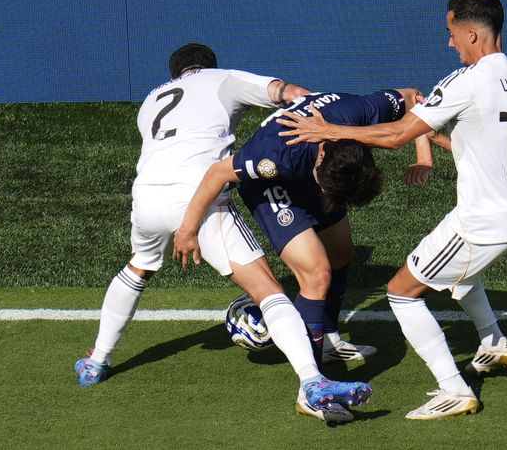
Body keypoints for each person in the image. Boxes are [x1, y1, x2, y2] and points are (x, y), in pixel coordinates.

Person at [74, 43, 371, 423]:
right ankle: (313, 383)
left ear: (175, 73)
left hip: (146, 196)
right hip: (198, 194)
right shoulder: (223, 79)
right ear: (207, 66)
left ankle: (96, 360)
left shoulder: (152, 98)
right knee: (269, 292)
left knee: (139, 267)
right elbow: (292, 95)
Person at [277, 0, 507, 419]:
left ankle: (454, 389)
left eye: (452, 33)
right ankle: (492, 341)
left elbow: (397, 133)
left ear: (472, 32)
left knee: (402, 291)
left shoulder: (466, 80)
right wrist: (435, 141)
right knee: (459, 273)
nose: (449, 43)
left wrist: (328, 129)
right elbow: (489, 145)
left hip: (485, 218)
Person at [173, 88, 429, 367]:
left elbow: (415, 99)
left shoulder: (361, 112)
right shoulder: (274, 155)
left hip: (310, 172)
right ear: (321, 155)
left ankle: (327, 338)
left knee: (341, 253)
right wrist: (187, 229)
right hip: (273, 186)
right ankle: (313, 380)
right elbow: (217, 173)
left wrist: (424, 156)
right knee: (317, 274)